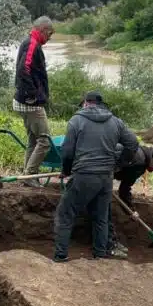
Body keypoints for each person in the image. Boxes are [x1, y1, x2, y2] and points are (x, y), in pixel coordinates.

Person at [53, 92, 139, 262]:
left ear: (86, 103)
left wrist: (67, 170)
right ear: (101, 104)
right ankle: (100, 256)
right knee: (100, 217)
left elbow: (67, 151)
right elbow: (133, 144)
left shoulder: (76, 121)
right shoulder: (115, 121)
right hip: (106, 178)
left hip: (84, 175)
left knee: (65, 214)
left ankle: (60, 256)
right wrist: (117, 164)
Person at [108, 144, 153, 258]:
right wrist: (103, 180)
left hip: (99, 172)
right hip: (97, 173)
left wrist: (131, 210)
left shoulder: (140, 156)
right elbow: (124, 188)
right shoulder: (139, 162)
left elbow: (124, 189)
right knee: (104, 212)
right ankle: (109, 245)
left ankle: (109, 243)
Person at [13, 16, 54, 185]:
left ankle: (27, 176)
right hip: (30, 104)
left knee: (32, 139)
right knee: (45, 141)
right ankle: (30, 174)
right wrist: (33, 95)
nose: (49, 38)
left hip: (24, 101)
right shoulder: (32, 44)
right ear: (43, 30)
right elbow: (24, 69)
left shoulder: (30, 42)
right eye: (49, 34)